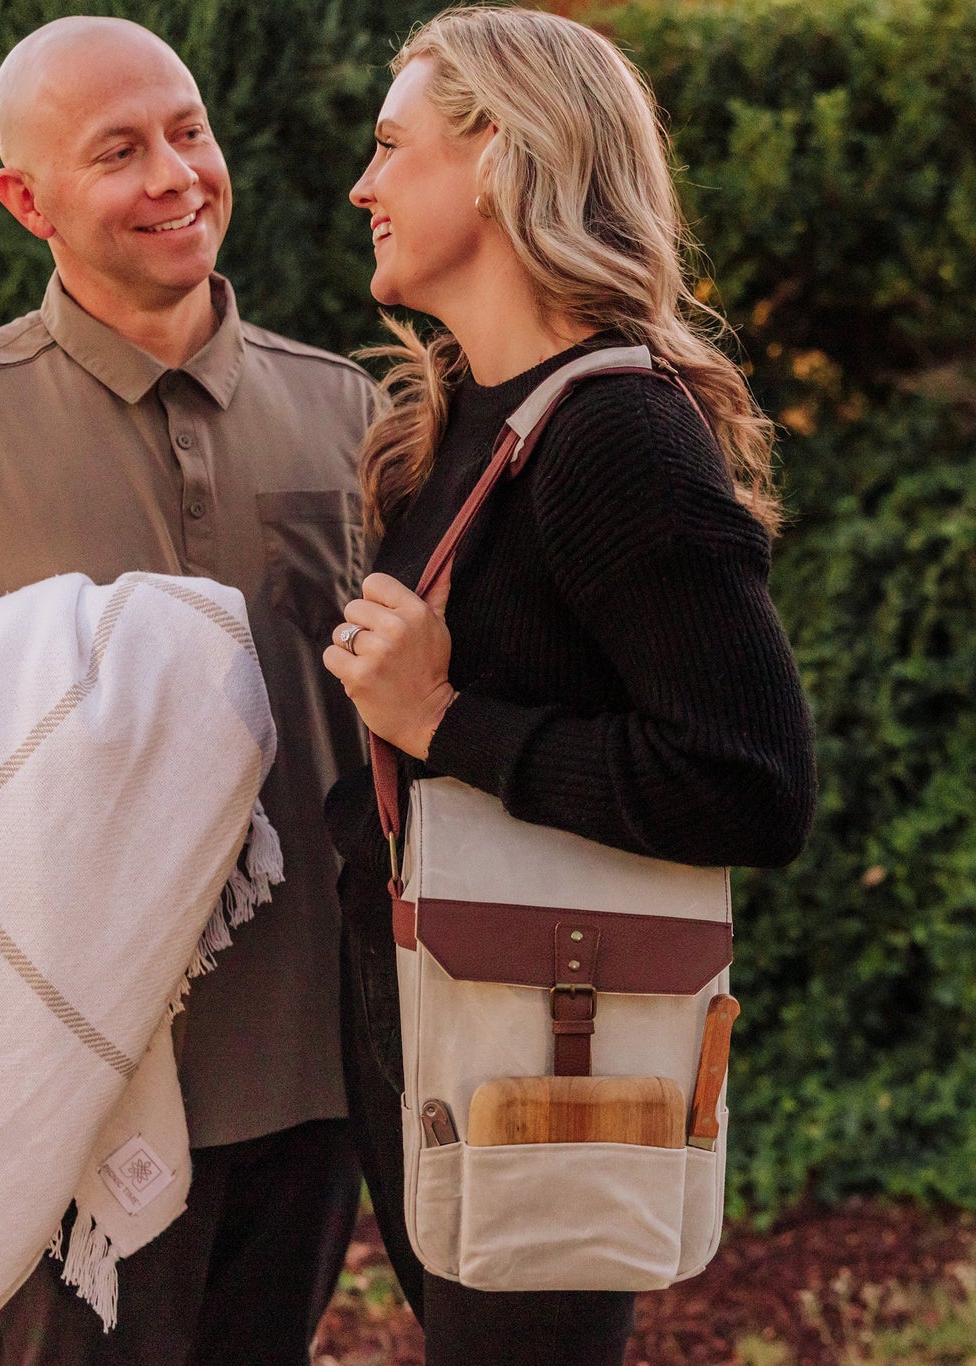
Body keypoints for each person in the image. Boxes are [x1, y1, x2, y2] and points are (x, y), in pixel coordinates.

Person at [0, 17, 376, 1365]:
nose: (176, 175)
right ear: (27, 198)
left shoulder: (345, 412)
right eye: (119, 152)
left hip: (308, 1056)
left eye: (189, 132)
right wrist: (78, 663)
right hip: (65, 1078)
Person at [320, 7, 818, 1364]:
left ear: (499, 158)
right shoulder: (462, 422)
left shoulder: (614, 436)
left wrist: (444, 723)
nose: (362, 185)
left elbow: (751, 784)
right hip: (429, 1000)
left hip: (543, 1036)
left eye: (391, 146)